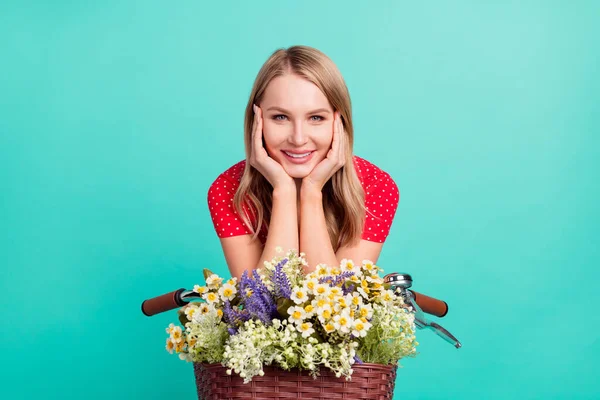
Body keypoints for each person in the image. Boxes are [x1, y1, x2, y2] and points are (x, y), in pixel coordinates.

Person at [208, 45, 400, 279]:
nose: (298, 138)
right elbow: (260, 304)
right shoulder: (228, 189)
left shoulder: (375, 185)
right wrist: (284, 191)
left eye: (316, 118)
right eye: (280, 117)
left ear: (340, 122)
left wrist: (311, 192)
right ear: (257, 120)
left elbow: (335, 305)